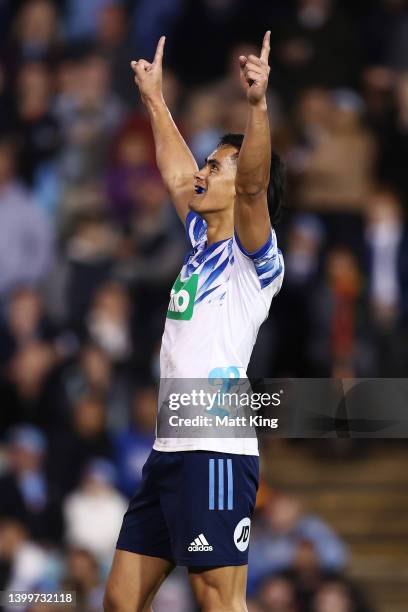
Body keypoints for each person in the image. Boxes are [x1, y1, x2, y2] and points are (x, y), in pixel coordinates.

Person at [104, 31, 285, 612]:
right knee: (119, 600)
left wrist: (256, 106)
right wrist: (155, 99)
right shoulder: (203, 243)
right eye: (208, 161)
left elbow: (253, 186)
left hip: (217, 451)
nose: (203, 171)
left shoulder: (254, 262)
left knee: (217, 601)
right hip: (169, 449)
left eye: (217, 165)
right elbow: (178, 174)